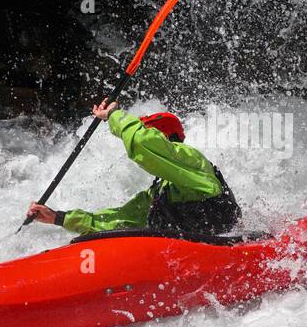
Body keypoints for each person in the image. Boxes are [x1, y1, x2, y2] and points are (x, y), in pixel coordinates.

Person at [26, 100, 242, 236]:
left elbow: (141, 142)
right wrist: (58, 218)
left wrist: (113, 115)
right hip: (188, 254)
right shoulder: (159, 193)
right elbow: (120, 221)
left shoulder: (192, 161)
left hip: (223, 243)